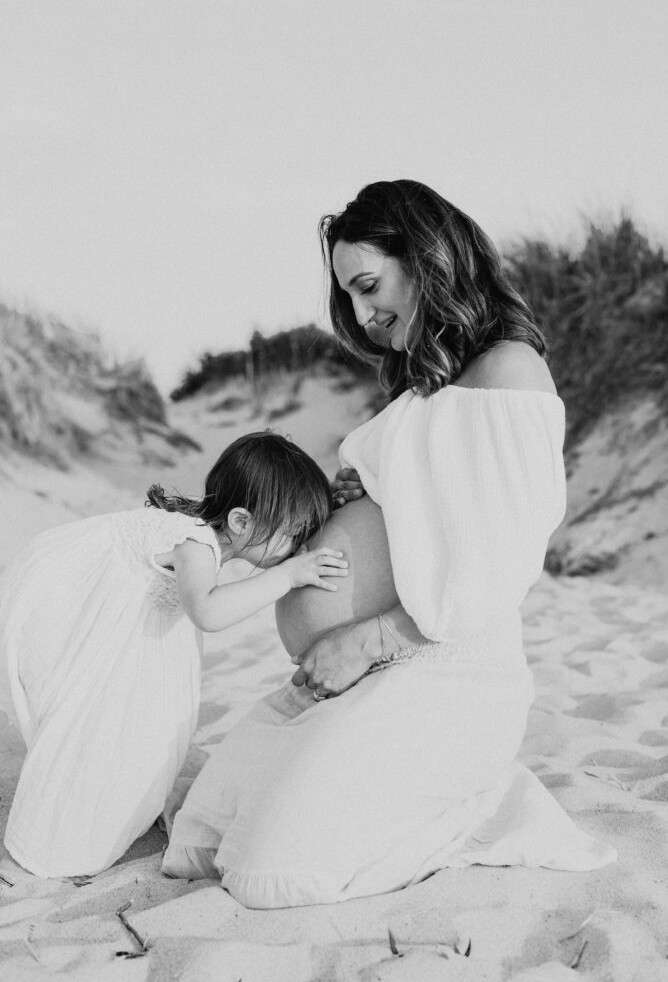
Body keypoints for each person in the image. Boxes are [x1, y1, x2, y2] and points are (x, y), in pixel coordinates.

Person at [162, 180, 617, 906]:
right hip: (372, 671)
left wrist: (363, 640)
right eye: (350, 298)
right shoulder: (430, 384)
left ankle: (476, 802)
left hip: (439, 671)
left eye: (369, 286)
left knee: (270, 872)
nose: (365, 315)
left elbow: (499, 566)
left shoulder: (507, 372)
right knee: (205, 842)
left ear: (428, 257)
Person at [0, 431, 346, 878]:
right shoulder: (196, 542)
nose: (297, 548)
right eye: (293, 533)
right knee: (99, 725)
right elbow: (207, 610)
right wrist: (288, 578)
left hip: (127, 628)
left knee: (129, 725)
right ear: (241, 523)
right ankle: (62, 830)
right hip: (105, 624)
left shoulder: (203, 534)